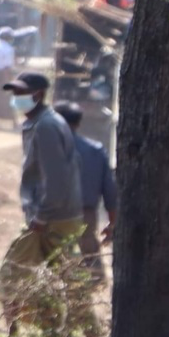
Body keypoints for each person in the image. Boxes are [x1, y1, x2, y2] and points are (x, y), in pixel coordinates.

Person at [0, 73, 83, 328]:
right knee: (64, 282)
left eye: (22, 93)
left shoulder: (46, 126)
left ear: (38, 94)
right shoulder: (40, 122)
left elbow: (55, 177)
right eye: (15, 93)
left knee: (10, 281)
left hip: (52, 218)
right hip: (56, 216)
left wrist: (42, 216)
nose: (16, 99)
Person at [54, 101, 117, 279]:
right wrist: (112, 223)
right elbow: (110, 191)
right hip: (86, 214)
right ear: (79, 123)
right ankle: (92, 296)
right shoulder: (95, 150)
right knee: (90, 260)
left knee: (55, 260)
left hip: (53, 213)